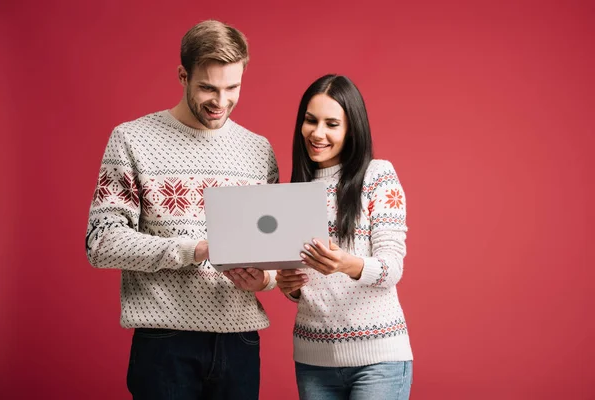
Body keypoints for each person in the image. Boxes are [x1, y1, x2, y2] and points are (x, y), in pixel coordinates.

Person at [85, 20, 278, 400]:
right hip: (165, 343)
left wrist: (267, 279)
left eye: (232, 88)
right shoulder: (132, 139)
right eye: (207, 87)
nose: (220, 101)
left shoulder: (259, 150)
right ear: (182, 75)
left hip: (240, 341)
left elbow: (271, 252)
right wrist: (195, 250)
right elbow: (101, 242)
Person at [276, 74, 413, 399]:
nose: (317, 133)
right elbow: (308, 285)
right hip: (312, 359)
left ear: (352, 128)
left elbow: (392, 268)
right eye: (310, 121)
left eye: (331, 124)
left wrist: (346, 264)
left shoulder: (378, 176)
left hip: (378, 359)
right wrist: (290, 287)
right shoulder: (294, 192)